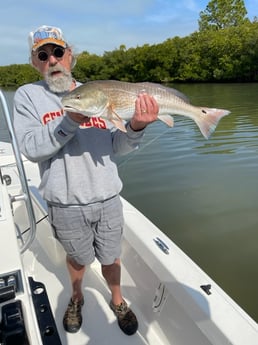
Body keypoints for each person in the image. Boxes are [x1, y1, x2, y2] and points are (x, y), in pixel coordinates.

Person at [13, 25, 159, 336]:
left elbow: (117, 147)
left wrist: (135, 127)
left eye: (58, 52)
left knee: (111, 256)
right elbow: (30, 148)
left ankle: (117, 300)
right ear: (34, 62)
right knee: (77, 259)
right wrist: (70, 121)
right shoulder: (28, 96)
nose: (52, 60)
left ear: (70, 56)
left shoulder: (97, 92)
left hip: (107, 198)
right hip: (64, 203)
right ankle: (77, 298)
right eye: (43, 54)